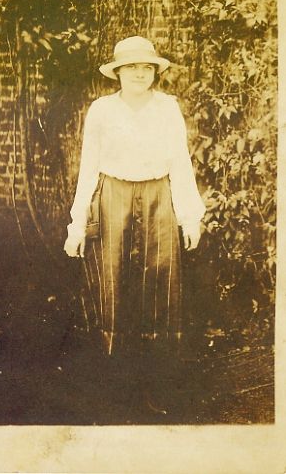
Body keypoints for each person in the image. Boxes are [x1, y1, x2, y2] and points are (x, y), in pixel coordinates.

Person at [64, 36, 206, 417]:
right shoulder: (102, 110)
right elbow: (89, 167)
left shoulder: (167, 108)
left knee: (161, 286)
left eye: (147, 67)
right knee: (113, 284)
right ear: (119, 73)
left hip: (159, 197)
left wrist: (189, 215)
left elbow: (180, 162)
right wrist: (77, 224)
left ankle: (157, 386)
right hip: (113, 199)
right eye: (131, 67)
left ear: (155, 72)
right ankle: (115, 387)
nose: (140, 73)